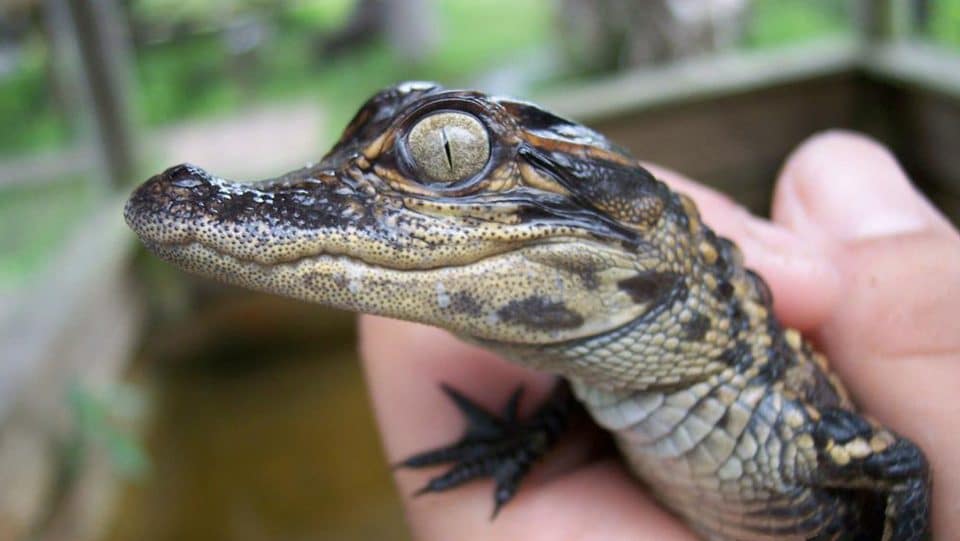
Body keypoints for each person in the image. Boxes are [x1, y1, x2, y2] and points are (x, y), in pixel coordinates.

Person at [360, 131, 960, 539]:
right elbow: (590, 377)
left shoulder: (779, 400)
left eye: (445, 151)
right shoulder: (604, 368)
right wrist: (528, 439)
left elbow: (903, 467)